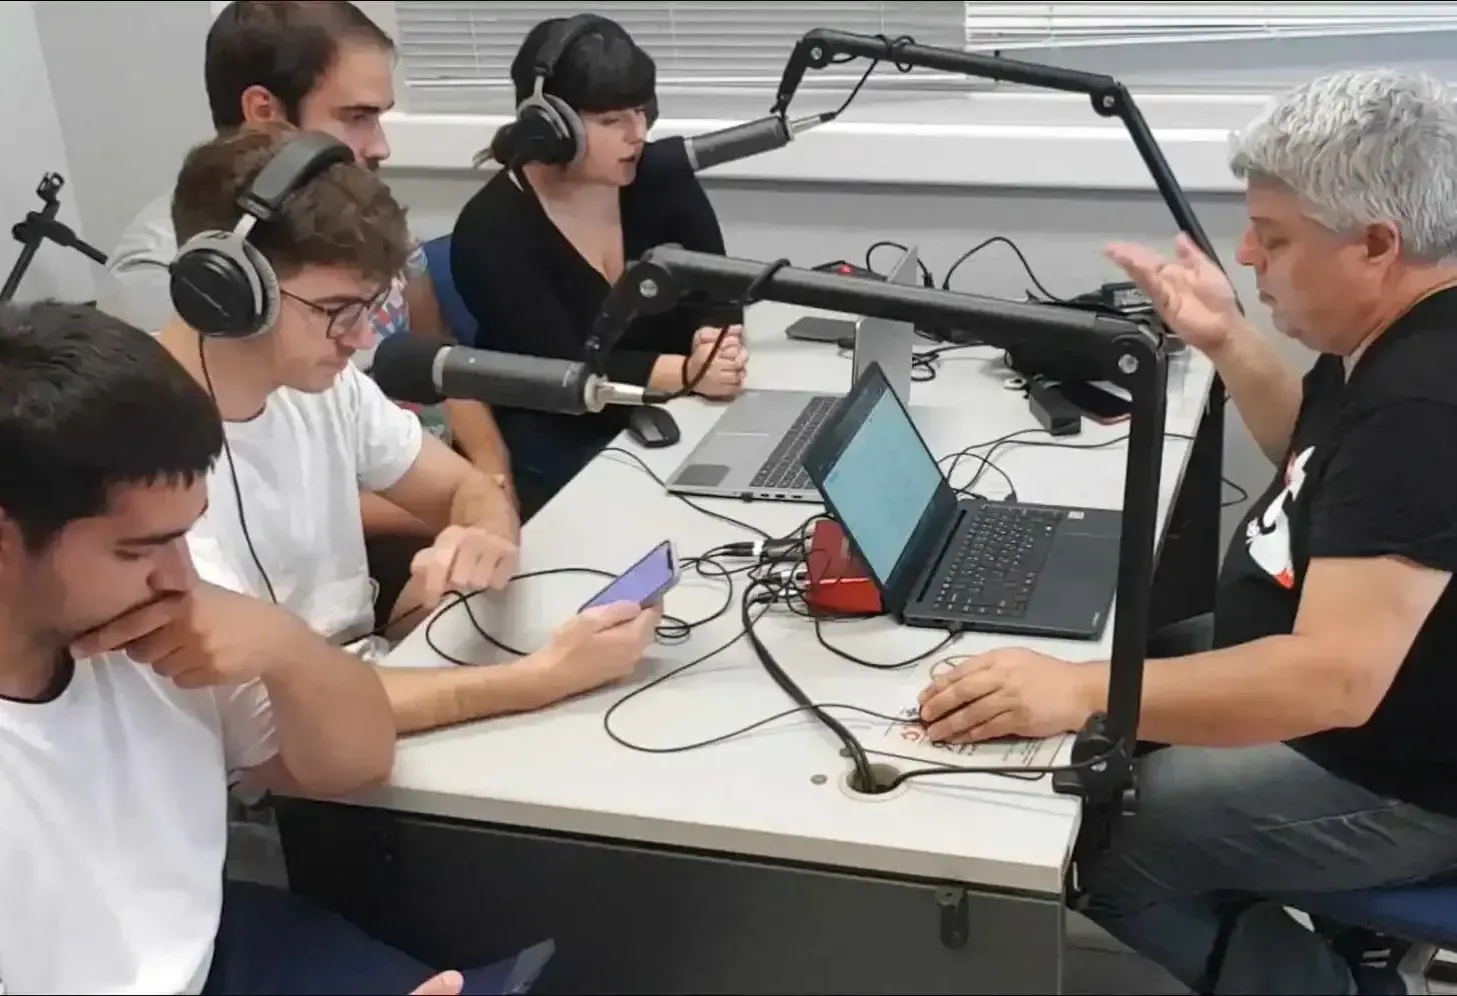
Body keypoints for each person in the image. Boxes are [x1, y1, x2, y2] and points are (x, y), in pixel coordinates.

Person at [914, 68, 1457, 994]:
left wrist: (1077, 691)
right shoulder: (1387, 334)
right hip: (1346, 689)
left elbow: (1331, 681)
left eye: (1273, 238)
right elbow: (1319, 467)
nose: (1245, 254)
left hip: (1404, 778)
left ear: (1374, 244)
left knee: (1101, 839)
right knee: (1116, 679)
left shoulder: (1423, 399)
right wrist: (1228, 339)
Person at [0, 301, 523, 994]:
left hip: (219, 948)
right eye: (138, 551)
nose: (180, 576)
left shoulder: (160, 613)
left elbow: (353, 764)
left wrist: (286, 649)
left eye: (186, 534)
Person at [157, 123, 661, 736]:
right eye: (335, 310)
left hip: (372, 690)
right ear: (228, 292)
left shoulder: (326, 385)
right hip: (290, 756)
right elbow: (281, 713)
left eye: (367, 308)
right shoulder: (138, 469)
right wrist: (544, 678)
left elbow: (467, 489)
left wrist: (482, 536)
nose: (361, 337)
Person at [96, 0, 513, 622]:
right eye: (357, 116)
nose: (380, 145)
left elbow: (431, 363)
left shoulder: (333, 358)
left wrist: (483, 509)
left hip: (363, 576)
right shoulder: (187, 285)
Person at [449, 14, 746, 515]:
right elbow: (566, 368)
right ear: (550, 127)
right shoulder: (492, 230)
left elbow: (718, 286)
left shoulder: (658, 177)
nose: (638, 133)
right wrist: (687, 372)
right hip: (565, 436)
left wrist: (716, 343)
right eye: (611, 121)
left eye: (642, 111)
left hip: (683, 412)